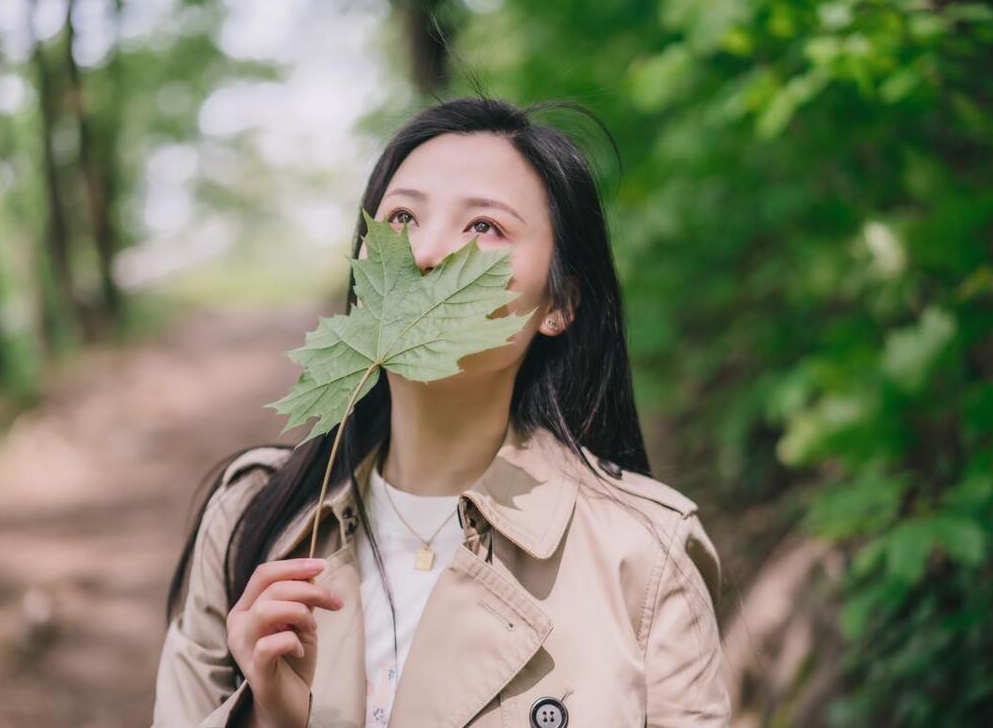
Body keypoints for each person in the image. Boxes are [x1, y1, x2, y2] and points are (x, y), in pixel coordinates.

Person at [150, 96, 731, 728]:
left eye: (484, 227)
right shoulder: (252, 521)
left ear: (558, 304)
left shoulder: (643, 557)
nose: (425, 252)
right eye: (400, 218)